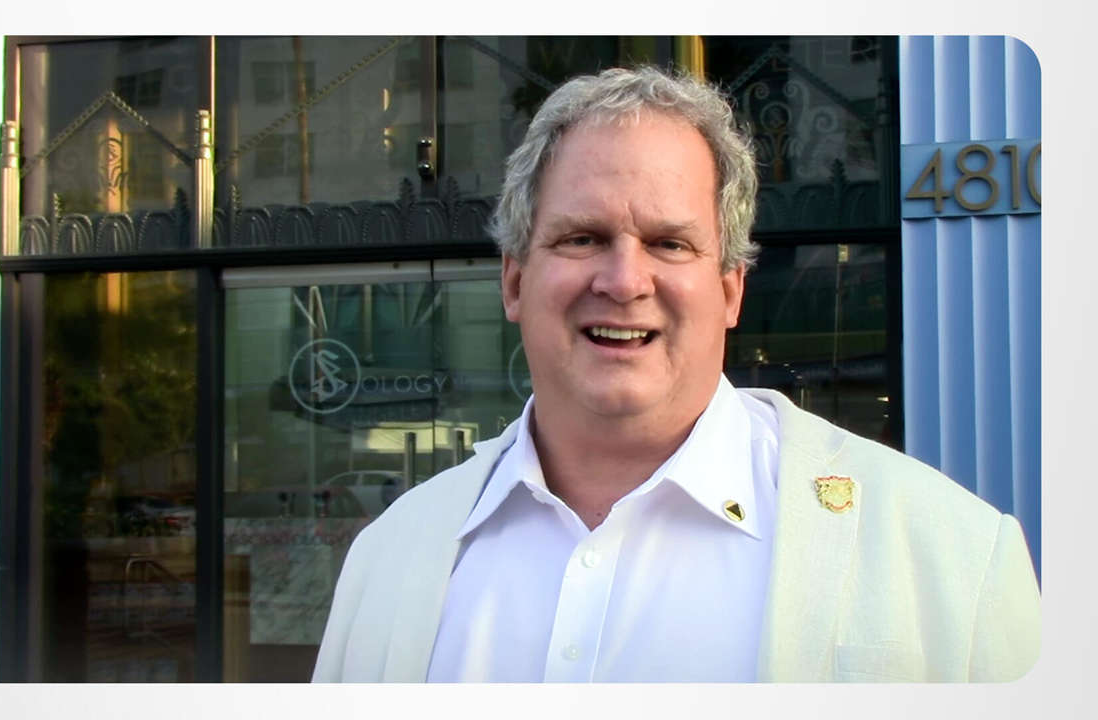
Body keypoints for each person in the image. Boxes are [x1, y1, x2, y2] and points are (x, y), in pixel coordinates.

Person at [312, 66, 1040, 682]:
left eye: (669, 243)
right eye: (582, 238)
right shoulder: (388, 559)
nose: (624, 281)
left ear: (730, 290)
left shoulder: (957, 557)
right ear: (514, 281)